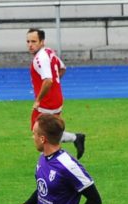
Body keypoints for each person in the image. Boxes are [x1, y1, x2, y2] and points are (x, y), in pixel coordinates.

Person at [27, 28, 86, 159]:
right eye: (28, 41)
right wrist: (55, 84)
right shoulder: (49, 52)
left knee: (39, 133)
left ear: (42, 42)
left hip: (46, 103)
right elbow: (62, 68)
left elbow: (48, 80)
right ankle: (76, 138)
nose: (30, 45)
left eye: (34, 41)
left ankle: (54, 160)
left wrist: (38, 99)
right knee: (51, 130)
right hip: (56, 99)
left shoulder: (40, 58)